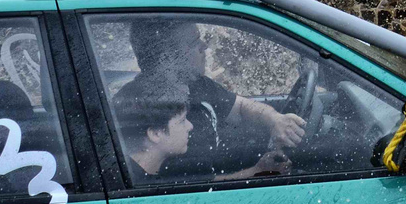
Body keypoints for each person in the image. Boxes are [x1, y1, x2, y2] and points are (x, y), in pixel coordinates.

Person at [112, 45, 297, 179]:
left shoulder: (192, 86)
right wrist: (257, 172)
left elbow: (240, 106)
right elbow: (196, 187)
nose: (205, 46)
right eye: (194, 42)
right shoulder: (154, 104)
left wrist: (274, 119)